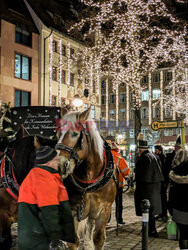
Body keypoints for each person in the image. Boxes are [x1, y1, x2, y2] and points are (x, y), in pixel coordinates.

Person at [18, 146, 76, 250]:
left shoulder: (33, 176)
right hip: (40, 241)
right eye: (55, 160)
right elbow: (49, 212)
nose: (58, 162)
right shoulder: (44, 179)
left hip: (30, 238)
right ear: (48, 162)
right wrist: (56, 239)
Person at [134, 133, 164, 237]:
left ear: (140, 150)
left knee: (146, 211)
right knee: (151, 211)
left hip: (145, 189)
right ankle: (151, 229)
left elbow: (140, 175)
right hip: (155, 188)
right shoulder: (154, 156)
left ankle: (149, 230)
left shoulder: (143, 158)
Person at [169, 149, 188, 249]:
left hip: (179, 209)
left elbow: (171, 194)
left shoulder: (175, 172)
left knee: (183, 234)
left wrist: (170, 209)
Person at [109, 140, 130, 224]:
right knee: (118, 203)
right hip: (118, 186)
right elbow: (126, 172)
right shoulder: (119, 159)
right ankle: (119, 219)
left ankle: (107, 219)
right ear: (117, 150)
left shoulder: (105, 157)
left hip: (106, 186)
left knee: (107, 203)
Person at [154, 145, 168, 221]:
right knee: (161, 198)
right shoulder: (159, 158)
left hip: (162, 181)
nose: (155, 151)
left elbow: (164, 171)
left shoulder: (161, 158)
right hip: (161, 181)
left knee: (162, 198)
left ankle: (163, 214)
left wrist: (164, 181)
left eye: (156, 150)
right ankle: (161, 213)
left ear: (160, 150)